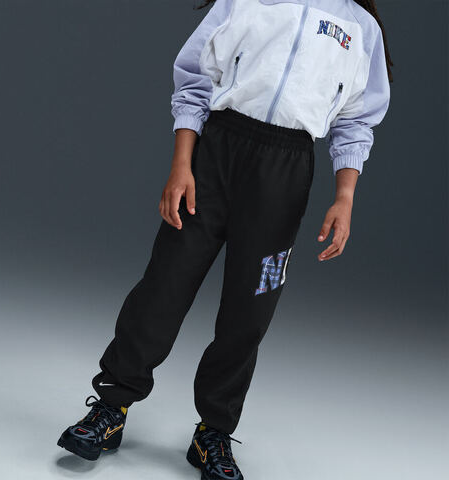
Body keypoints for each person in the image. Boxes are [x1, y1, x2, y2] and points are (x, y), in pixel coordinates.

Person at [57, 0, 393, 478]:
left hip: (285, 173)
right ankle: (111, 407)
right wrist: (181, 165)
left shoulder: (359, 27)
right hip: (216, 155)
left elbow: (356, 120)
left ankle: (212, 432)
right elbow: (195, 77)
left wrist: (345, 197)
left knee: (249, 312)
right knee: (163, 287)